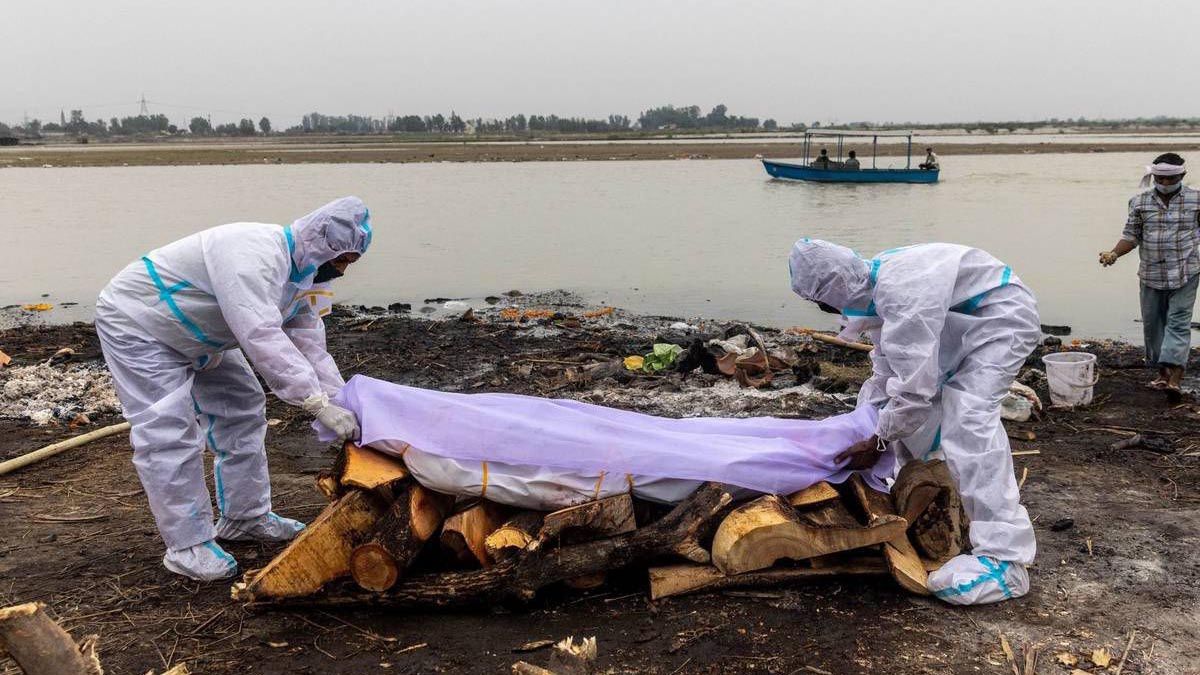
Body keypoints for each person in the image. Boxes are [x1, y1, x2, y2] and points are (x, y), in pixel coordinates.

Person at [95, 197, 372, 581]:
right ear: (322, 243)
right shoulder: (254, 254)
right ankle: (187, 545)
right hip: (141, 324)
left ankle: (245, 517)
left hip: (202, 333)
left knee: (242, 404)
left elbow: (309, 343)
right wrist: (315, 403)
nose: (342, 269)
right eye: (342, 259)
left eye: (350, 262)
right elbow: (260, 334)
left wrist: (342, 401)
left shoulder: (306, 275)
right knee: (168, 430)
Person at [788, 238, 1039, 605]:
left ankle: (1006, 559)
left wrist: (877, 441)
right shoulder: (877, 290)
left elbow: (913, 392)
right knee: (919, 409)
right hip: (962, 320)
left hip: (999, 318)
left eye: (822, 302)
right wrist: (866, 424)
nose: (827, 310)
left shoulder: (901, 292)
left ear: (834, 289)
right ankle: (932, 490)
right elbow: (888, 372)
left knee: (968, 416)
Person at [1100, 153, 1200, 399]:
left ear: (1182, 176)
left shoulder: (1196, 200)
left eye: (1171, 179)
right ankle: (1162, 374)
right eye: (1160, 179)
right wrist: (1113, 253)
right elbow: (1131, 236)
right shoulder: (1139, 202)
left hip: (1186, 272)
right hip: (1151, 274)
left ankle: (1176, 379)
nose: (1165, 184)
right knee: (1153, 325)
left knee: (1178, 322)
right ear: (1153, 177)